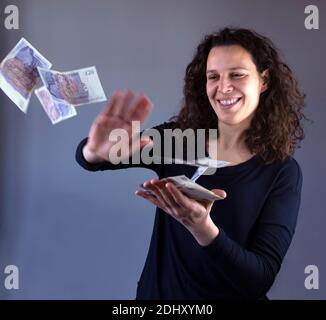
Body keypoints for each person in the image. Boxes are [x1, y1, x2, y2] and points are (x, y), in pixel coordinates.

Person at [75, 27, 306, 299]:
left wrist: (203, 228)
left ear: (264, 80)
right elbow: (94, 161)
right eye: (213, 77)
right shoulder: (179, 139)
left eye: (237, 75)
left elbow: (260, 278)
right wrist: (95, 150)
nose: (223, 87)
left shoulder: (281, 172)